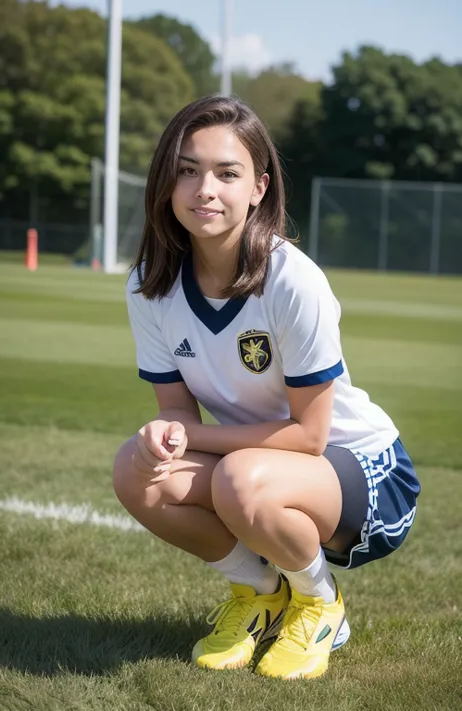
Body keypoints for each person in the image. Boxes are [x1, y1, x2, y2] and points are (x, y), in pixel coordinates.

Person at [113, 95, 420, 680]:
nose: (205, 188)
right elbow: (176, 412)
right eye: (187, 170)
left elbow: (309, 436)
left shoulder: (292, 280)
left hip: (365, 471)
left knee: (239, 479)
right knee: (136, 467)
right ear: (166, 181)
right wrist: (165, 436)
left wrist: (191, 433)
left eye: (226, 173)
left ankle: (320, 603)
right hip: (259, 464)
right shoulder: (148, 285)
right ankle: (260, 594)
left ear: (258, 187)